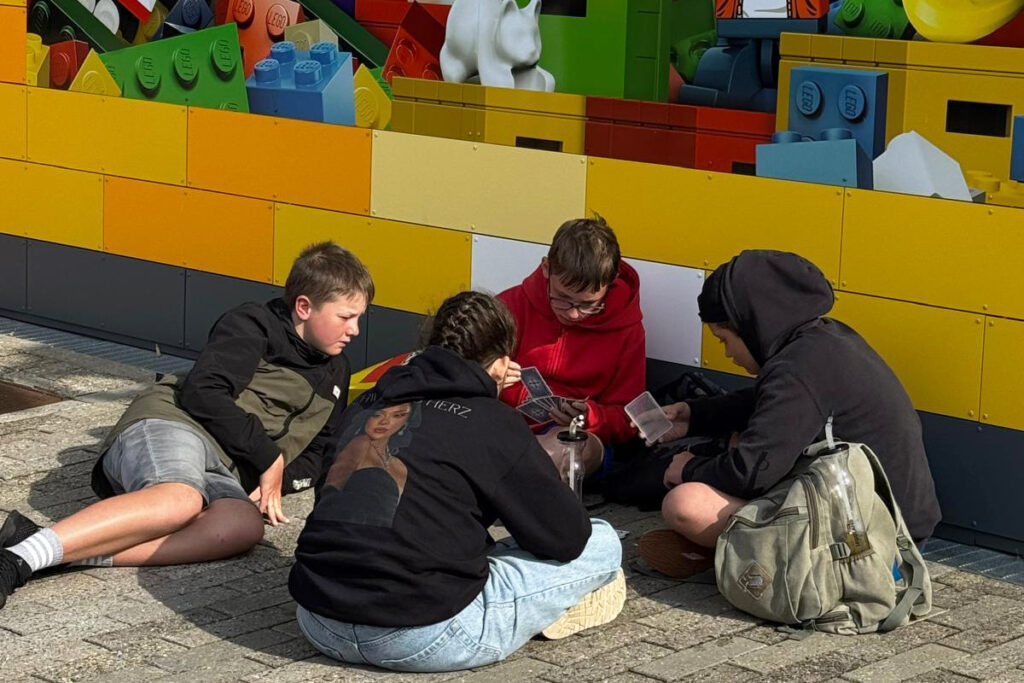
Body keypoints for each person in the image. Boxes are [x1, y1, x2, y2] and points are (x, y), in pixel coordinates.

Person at [0, 241, 373, 608]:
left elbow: (320, 452)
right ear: (304, 307)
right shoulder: (252, 324)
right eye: (345, 317)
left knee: (242, 528)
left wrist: (276, 481)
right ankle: (15, 563)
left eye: (359, 318)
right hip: (175, 423)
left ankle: (50, 551)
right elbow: (204, 391)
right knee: (180, 501)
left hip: (225, 467)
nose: (354, 329)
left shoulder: (337, 371)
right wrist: (268, 457)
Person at [290, 291, 625, 673]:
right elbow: (567, 538)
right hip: (424, 634)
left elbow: (330, 499)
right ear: (500, 365)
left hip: (318, 618)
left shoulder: (366, 405)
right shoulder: (494, 421)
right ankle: (551, 602)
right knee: (602, 541)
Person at [637, 250, 941, 578]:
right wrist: (694, 416)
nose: (727, 353)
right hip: (896, 526)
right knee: (737, 447)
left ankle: (755, 566)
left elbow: (751, 472)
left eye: (725, 340)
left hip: (877, 547)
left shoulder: (796, 371)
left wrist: (688, 468)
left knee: (686, 504)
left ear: (751, 324)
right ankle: (736, 552)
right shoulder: (821, 341)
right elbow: (765, 404)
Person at [498, 216, 645, 475]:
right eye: (563, 298)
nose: (574, 314)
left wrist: (592, 416)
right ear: (546, 268)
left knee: (559, 452)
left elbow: (630, 417)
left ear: (609, 287)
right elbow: (467, 374)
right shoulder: (510, 306)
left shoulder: (628, 329)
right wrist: (493, 379)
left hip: (580, 436)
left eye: (588, 304)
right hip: (504, 423)